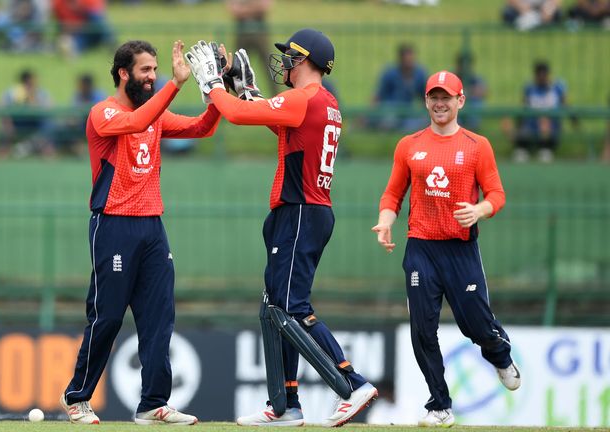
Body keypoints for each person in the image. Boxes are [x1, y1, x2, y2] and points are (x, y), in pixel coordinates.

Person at [185, 29, 377, 427]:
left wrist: (213, 84)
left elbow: (239, 116)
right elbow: (280, 124)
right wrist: (246, 90)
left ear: (304, 60)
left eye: (290, 56)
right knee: (274, 309)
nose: (284, 62)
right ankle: (285, 404)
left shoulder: (304, 98)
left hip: (301, 211)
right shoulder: (321, 102)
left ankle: (352, 383)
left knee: (290, 309)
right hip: (301, 211)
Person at [59, 39, 221, 425]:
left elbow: (202, 128)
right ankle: (77, 397)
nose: (152, 77)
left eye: (155, 69)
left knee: (158, 317)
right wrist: (176, 86)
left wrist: (216, 89)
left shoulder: (155, 113)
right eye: (145, 70)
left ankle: (152, 403)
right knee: (108, 316)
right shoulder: (104, 113)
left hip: (152, 227)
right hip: (113, 224)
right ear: (123, 73)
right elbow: (136, 121)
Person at [372, 70, 521, 427]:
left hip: (460, 249)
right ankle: (439, 405)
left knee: (477, 327)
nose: (440, 104)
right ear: (426, 101)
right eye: (433, 97)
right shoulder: (409, 144)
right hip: (422, 247)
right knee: (422, 329)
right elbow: (394, 192)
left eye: (446, 97)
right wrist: (386, 219)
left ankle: (500, 354)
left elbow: (496, 194)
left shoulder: (476, 145)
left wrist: (480, 210)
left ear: (460, 101)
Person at [512, 60, 570, 163]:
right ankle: (521, 148)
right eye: (539, 75)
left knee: (544, 121)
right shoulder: (529, 88)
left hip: (552, 125)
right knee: (508, 122)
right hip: (531, 123)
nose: (542, 78)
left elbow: (566, 105)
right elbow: (523, 107)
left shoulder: (557, 87)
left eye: (544, 74)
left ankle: (545, 148)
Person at [371, 43, 428, 132]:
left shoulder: (419, 74)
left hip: (408, 112)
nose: (409, 62)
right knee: (389, 121)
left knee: (420, 122)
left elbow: (425, 97)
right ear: (400, 59)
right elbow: (378, 96)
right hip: (390, 110)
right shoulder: (390, 73)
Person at [0, 68, 54, 158]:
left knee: (48, 124)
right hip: (18, 122)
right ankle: (4, 151)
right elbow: (1, 106)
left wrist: (34, 101)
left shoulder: (41, 92)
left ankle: (47, 150)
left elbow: (50, 107)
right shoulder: (12, 92)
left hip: (36, 122)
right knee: (5, 123)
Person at [226, 0, 278, 95]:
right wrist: (255, 7)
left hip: (260, 34)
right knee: (237, 70)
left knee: (270, 69)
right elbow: (234, 9)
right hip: (242, 34)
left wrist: (244, 8)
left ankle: (277, 101)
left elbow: (265, 6)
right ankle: (234, 103)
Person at [454, 51, 486, 132]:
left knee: (476, 103)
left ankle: (471, 129)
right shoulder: (452, 77)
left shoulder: (474, 77)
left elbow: (483, 91)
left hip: (470, 104)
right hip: (456, 105)